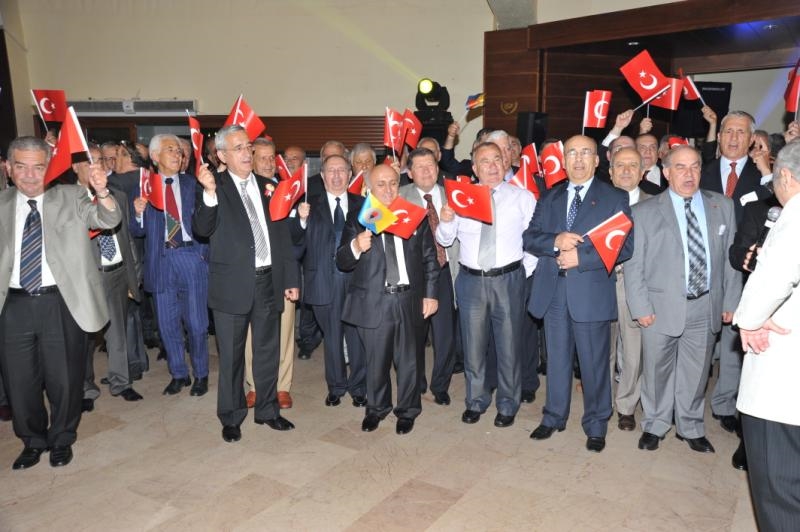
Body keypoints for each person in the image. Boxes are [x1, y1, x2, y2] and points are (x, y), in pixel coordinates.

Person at [0, 136, 121, 469]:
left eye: (38, 167)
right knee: (19, 381)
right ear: (8, 169)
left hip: (62, 303)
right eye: (21, 167)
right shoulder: (2, 203)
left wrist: (102, 192)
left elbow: (108, 220)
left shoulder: (71, 196)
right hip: (13, 306)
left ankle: (62, 438)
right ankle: (32, 440)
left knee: (64, 378)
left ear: (50, 167)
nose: (29, 175)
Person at [625, 145, 741, 453]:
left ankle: (690, 426)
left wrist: (730, 301)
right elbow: (634, 265)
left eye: (694, 167)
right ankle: (655, 424)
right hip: (659, 307)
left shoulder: (722, 206)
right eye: (680, 167)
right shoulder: (644, 212)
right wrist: (640, 307)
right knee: (656, 371)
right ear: (665, 172)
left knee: (697, 371)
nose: (689, 174)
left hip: (706, 303)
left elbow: (731, 260)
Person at [524, 135, 632, 453]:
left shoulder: (614, 197)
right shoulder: (550, 196)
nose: (579, 159)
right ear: (564, 160)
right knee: (556, 360)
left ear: (597, 160)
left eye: (586, 152)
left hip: (590, 292)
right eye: (572, 153)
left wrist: (581, 258)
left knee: (594, 364)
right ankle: (553, 416)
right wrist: (555, 241)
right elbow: (530, 237)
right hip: (553, 292)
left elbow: (625, 246)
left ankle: (596, 424)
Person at [194, 125, 300, 442]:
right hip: (231, 285)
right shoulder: (214, 187)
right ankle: (231, 416)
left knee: (268, 350)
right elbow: (202, 228)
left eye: (248, 146)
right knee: (231, 356)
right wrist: (208, 194)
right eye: (237, 147)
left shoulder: (270, 186)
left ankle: (267, 410)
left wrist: (290, 277)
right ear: (222, 155)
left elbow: (281, 236)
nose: (246, 152)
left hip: (268, 281)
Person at [438, 142, 536, 429]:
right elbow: (445, 239)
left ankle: (507, 404)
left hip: (509, 279)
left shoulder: (522, 197)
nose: (492, 166)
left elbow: (533, 240)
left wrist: (523, 273)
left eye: (497, 159)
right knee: (473, 346)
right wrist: (446, 221)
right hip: (471, 281)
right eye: (485, 161)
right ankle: (476, 400)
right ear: (474, 168)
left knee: (509, 346)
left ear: (505, 163)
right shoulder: (461, 198)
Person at [336, 164, 438, 435]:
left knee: (410, 361)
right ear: (369, 188)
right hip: (375, 300)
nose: (388, 189)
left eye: (393, 183)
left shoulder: (413, 215)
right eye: (381, 184)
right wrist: (356, 246)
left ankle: (408, 410)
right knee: (376, 361)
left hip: (408, 299)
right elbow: (342, 260)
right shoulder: (359, 218)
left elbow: (430, 257)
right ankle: (377, 408)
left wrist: (430, 294)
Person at [734, 139, 800, 531]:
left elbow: (776, 278)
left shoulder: (796, 216)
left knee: (780, 490)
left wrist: (749, 320)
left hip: (784, 386)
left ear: (786, 176)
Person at [699, 110, 771, 435]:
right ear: (719, 135)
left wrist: (766, 170)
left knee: (733, 339)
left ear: (751, 139)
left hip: (742, 270)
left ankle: (725, 403)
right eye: (728, 130)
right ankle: (690, 399)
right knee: (699, 337)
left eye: (741, 132)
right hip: (702, 266)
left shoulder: (764, 178)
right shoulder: (701, 171)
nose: (733, 137)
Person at [131, 134, 210, 397]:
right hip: (161, 260)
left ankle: (201, 374)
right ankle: (179, 374)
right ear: (155, 157)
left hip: (190, 258)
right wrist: (138, 213)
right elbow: (137, 231)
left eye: (179, 150)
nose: (177, 155)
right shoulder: (144, 187)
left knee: (197, 324)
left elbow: (208, 220)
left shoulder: (193, 184)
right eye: (170, 150)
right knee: (167, 325)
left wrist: (201, 255)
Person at [294, 154, 367, 408]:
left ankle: (359, 387)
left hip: (356, 282)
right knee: (332, 338)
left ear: (350, 175)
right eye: (331, 171)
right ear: (323, 176)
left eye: (341, 170)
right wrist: (301, 221)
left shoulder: (364, 204)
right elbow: (295, 246)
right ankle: (336, 387)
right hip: (323, 281)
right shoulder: (308, 206)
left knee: (357, 337)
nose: (336, 176)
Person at [73, 154, 143, 407]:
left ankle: (121, 382)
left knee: (118, 333)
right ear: (75, 167)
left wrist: (134, 274)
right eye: (88, 163)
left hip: (117, 273)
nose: (96, 167)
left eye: (100, 162)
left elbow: (127, 239)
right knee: (86, 338)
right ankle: (85, 389)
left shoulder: (117, 197)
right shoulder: (68, 201)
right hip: (87, 278)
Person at [400, 147, 461, 406]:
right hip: (415, 276)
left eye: (431, 166)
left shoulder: (454, 195)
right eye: (420, 167)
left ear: (438, 168)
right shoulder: (399, 197)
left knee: (445, 335)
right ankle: (417, 382)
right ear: (410, 173)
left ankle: (440, 385)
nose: (426, 171)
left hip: (446, 271)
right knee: (414, 335)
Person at [245, 137, 297, 410]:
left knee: (284, 331)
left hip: (281, 273)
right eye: (261, 158)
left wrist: (301, 219)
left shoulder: (285, 190)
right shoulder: (241, 190)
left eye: (271, 158)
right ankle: (255, 385)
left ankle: (282, 387)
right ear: (250, 159)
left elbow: (292, 240)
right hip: (251, 275)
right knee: (252, 334)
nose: (267, 163)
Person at [607, 147, 650, 431]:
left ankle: (626, 406)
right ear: (610, 171)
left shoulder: (655, 205)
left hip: (635, 284)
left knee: (634, 350)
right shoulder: (597, 201)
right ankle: (602, 399)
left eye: (632, 165)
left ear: (643, 172)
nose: (625, 171)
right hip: (601, 281)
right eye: (620, 165)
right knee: (603, 347)